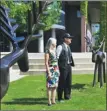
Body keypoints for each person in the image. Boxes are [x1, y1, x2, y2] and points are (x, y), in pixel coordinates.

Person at [56, 33, 75, 102]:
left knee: (68, 82)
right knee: (62, 82)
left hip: (68, 66)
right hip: (62, 67)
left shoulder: (68, 46)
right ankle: (60, 98)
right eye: (69, 38)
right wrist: (57, 68)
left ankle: (67, 96)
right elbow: (56, 58)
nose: (71, 39)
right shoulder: (60, 47)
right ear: (65, 39)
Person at [45, 37, 60, 106]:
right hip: (50, 70)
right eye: (55, 43)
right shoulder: (47, 51)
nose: (56, 44)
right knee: (49, 86)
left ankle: (53, 100)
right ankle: (49, 102)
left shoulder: (55, 51)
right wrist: (48, 72)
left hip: (56, 69)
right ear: (52, 43)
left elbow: (56, 62)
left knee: (55, 86)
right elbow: (46, 63)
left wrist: (58, 70)